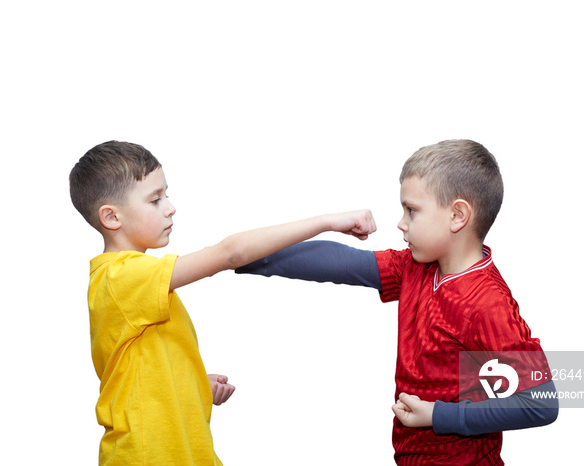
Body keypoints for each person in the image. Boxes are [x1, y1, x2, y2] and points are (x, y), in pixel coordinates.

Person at [237, 140, 558, 465]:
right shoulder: (415, 268)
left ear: (457, 215)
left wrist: (439, 415)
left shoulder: (488, 303)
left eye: (412, 210)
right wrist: (238, 258)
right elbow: (339, 263)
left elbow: (540, 403)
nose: (401, 223)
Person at [69, 140, 377, 465]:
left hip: (186, 451)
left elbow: (139, 367)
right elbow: (231, 253)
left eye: (166, 195)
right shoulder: (122, 277)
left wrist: (194, 382)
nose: (170, 207)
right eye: (155, 200)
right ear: (111, 217)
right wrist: (327, 222)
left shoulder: (132, 282)